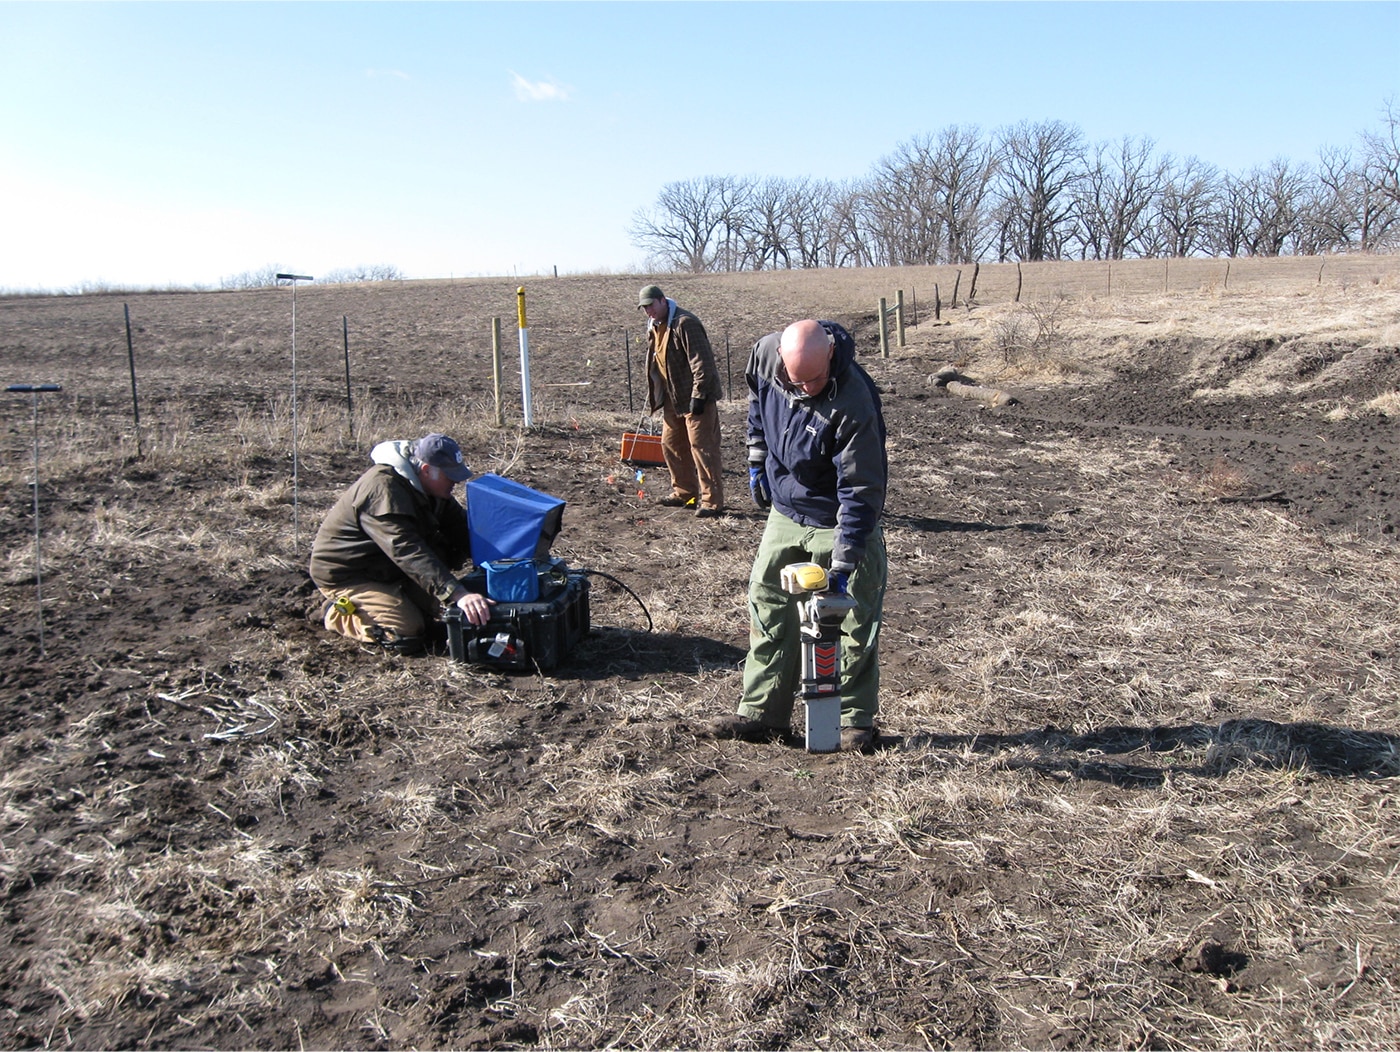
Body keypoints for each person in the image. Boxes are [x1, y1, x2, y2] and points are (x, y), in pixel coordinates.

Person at [710, 319, 888, 752]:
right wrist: (757, 457)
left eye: (814, 380)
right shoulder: (764, 356)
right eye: (797, 381)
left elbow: (861, 490)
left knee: (851, 617)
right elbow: (757, 401)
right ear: (781, 361)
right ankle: (762, 713)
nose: (806, 389)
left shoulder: (854, 401)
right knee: (768, 605)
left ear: (831, 354)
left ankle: (853, 720)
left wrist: (844, 564)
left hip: (837, 514)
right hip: (786, 509)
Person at [309, 432, 494, 652]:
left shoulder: (430, 488)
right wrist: (457, 593)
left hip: (388, 569)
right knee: (405, 631)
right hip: (349, 574)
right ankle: (334, 612)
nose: (456, 481)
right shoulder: (382, 489)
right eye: (450, 476)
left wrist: (506, 559)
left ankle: (400, 601)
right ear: (427, 470)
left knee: (444, 607)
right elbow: (406, 550)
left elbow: (462, 529)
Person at [638, 284, 725, 517]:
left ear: (662, 300)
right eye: (644, 308)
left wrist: (699, 395)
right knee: (671, 445)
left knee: (703, 448)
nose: (648, 311)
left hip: (696, 398)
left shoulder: (686, 323)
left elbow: (702, 363)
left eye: (651, 305)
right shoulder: (654, 327)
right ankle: (685, 493)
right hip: (672, 399)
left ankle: (712, 501)